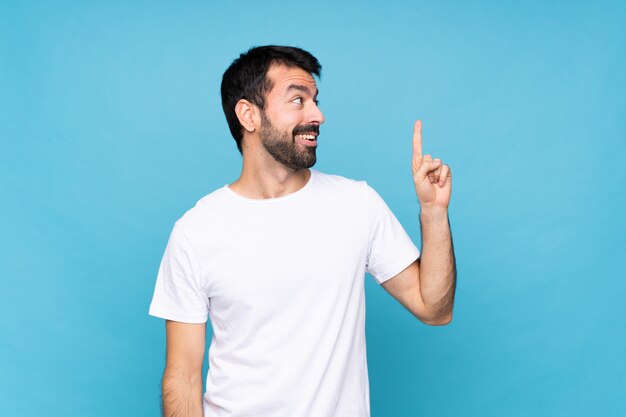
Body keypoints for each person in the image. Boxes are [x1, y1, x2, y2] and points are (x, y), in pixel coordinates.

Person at [149, 45, 456, 417]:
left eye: (315, 100)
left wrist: (433, 211)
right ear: (249, 115)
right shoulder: (195, 233)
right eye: (298, 100)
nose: (318, 115)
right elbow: (182, 378)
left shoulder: (357, 203)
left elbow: (434, 308)